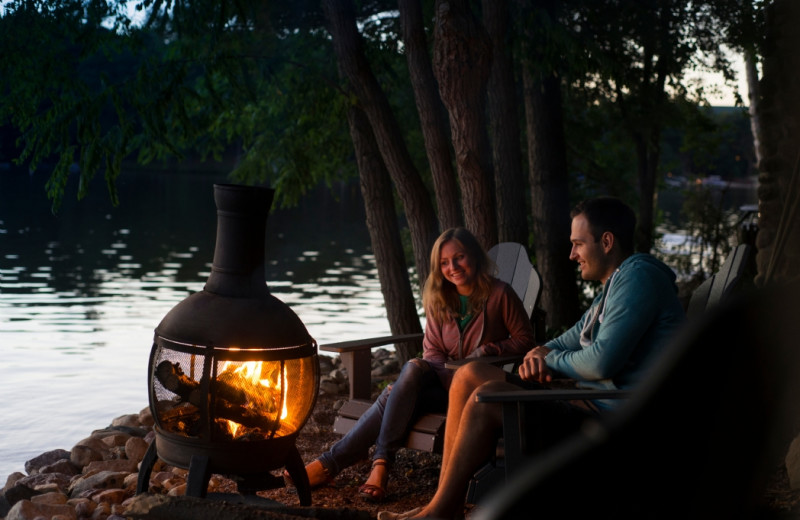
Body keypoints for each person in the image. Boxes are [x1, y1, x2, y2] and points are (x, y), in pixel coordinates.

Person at [378, 196, 687, 520]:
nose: (572, 254)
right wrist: (542, 354)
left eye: (578, 244)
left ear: (607, 241)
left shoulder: (638, 277)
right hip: (584, 402)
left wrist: (549, 361)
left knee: (491, 396)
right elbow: (561, 341)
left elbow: (599, 362)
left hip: (611, 419)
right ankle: (444, 505)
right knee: (470, 374)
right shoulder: (611, 289)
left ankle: (438, 512)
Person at [293, 227, 536, 502]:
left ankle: (337, 464)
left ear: (475, 257)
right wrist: (443, 373)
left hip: (473, 394)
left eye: (459, 258)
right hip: (440, 385)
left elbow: (525, 340)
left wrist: (489, 350)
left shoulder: (500, 294)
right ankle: (376, 464)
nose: (452, 267)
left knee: (391, 394)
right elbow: (431, 350)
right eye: (444, 263)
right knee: (411, 369)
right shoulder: (439, 296)